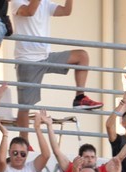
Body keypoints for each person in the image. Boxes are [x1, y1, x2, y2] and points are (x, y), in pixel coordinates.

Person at [11, 0, 102, 140]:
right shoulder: (17, 2)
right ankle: (24, 143)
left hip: (46, 56)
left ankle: (80, 98)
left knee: (82, 56)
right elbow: (30, 11)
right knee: (25, 107)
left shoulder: (45, 3)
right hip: (27, 60)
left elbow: (66, 11)